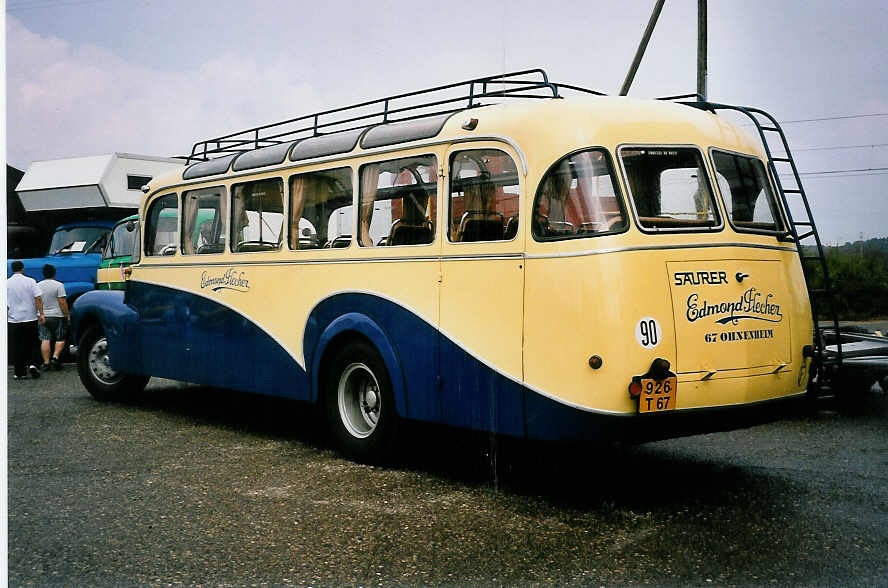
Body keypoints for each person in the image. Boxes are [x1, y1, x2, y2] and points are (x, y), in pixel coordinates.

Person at [7, 260, 44, 379]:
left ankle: (19, 372)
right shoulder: (31, 281)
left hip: (13, 319)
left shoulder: (6, 283)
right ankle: (33, 364)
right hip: (30, 317)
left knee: (17, 346)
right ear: (22, 269)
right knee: (32, 343)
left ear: (12, 269)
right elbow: (38, 298)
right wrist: (41, 313)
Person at [37, 264, 70, 371]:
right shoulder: (59, 285)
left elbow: (37, 301)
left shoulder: (38, 285)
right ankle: (55, 357)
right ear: (54, 273)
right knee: (60, 337)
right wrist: (67, 314)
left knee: (45, 339)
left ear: (43, 273)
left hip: (43, 316)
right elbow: (62, 301)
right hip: (57, 315)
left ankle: (46, 363)